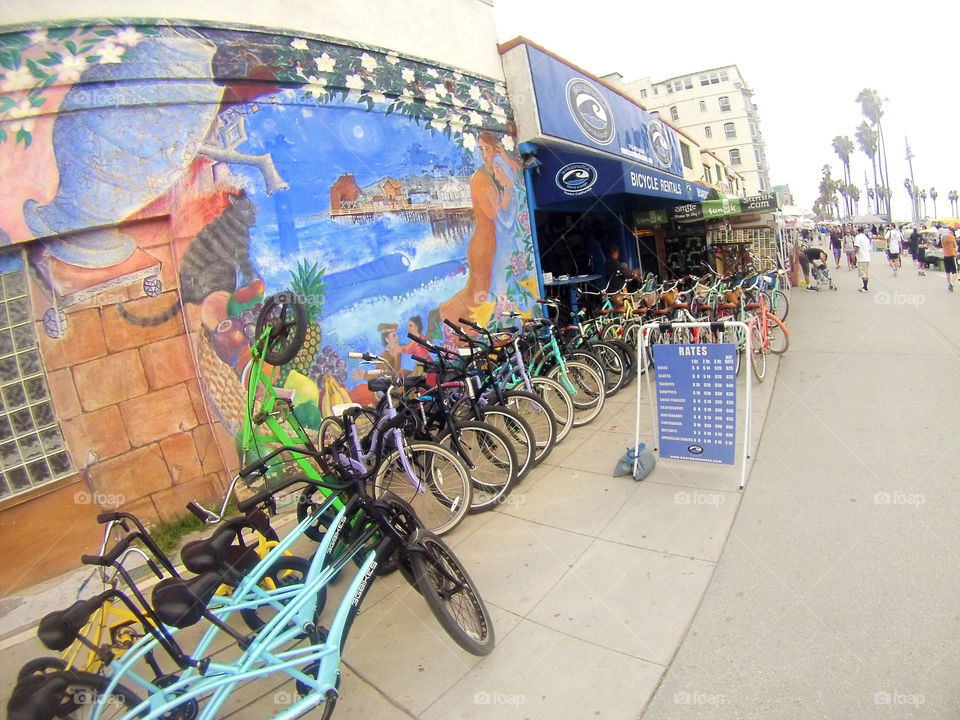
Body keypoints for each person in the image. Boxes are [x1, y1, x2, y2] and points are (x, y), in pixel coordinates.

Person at [854, 226, 871, 292]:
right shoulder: (866, 238)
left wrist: (854, 254)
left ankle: (865, 287)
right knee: (865, 273)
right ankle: (865, 286)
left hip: (861, 258)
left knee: (863, 273)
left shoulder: (857, 237)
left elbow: (857, 247)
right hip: (867, 257)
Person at [942, 227, 957, 292]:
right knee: (955, 272)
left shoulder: (942, 237)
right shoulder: (952, 237)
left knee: (947, 272)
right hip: (951, 255)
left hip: (945, 255)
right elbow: (955, 245)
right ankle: (952, 283)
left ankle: (948, 284)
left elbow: (942, 246)